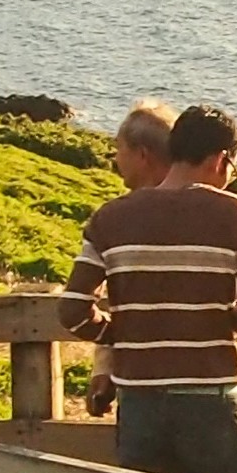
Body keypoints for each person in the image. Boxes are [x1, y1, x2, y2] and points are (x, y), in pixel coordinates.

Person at [58, 104, 237, 473]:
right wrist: (224, 318)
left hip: (140, 400)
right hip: (210, 396)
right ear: (219, 159)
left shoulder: (109, 218)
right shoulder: (234, 213)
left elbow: (73, 311)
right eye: (233, 167)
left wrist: (122, 332)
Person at [87, 99, 177, 416]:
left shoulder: (113, 219)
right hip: (209, 383)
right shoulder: (218, 212)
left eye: (119, 148)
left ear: (142, 155)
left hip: (140, 385)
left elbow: (78, 307)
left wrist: (119, 342)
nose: (115, 158)